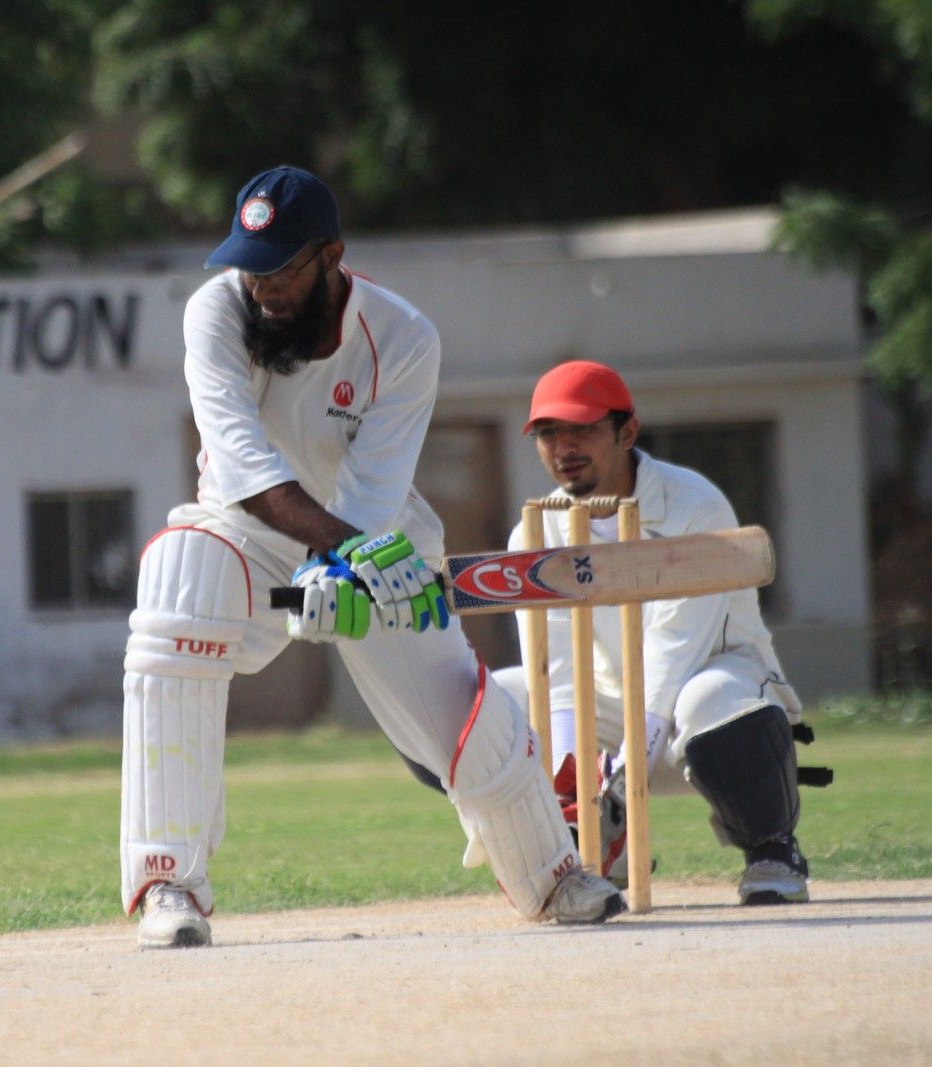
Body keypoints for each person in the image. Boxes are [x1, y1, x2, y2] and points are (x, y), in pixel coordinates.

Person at [119, 166, 624, 949]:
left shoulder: (404, 338)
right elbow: (242, 463)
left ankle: (555, 872)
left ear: (331, 255)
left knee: (459, 703)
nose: (262, 288)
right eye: (250, 267)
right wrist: (334, 552)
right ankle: (168, 881)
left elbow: (372, 493)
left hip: (373, 532)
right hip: (245, 530)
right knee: (179, 577)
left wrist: (347, 563)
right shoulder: (216, 310)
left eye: (281, 269)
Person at [491, 359, 817, 905]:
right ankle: (596, 847)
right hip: (608, 707)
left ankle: (772, 849)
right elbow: (556, 672)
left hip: (708, 700)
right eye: (548, 432)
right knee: (484, 704)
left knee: (707, 696)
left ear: (627, 432)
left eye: (582, 428)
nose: (564, 446)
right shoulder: (534, 529)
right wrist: (574, 788)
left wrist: (623, 777)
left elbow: (673, 652)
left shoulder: (694, 505)